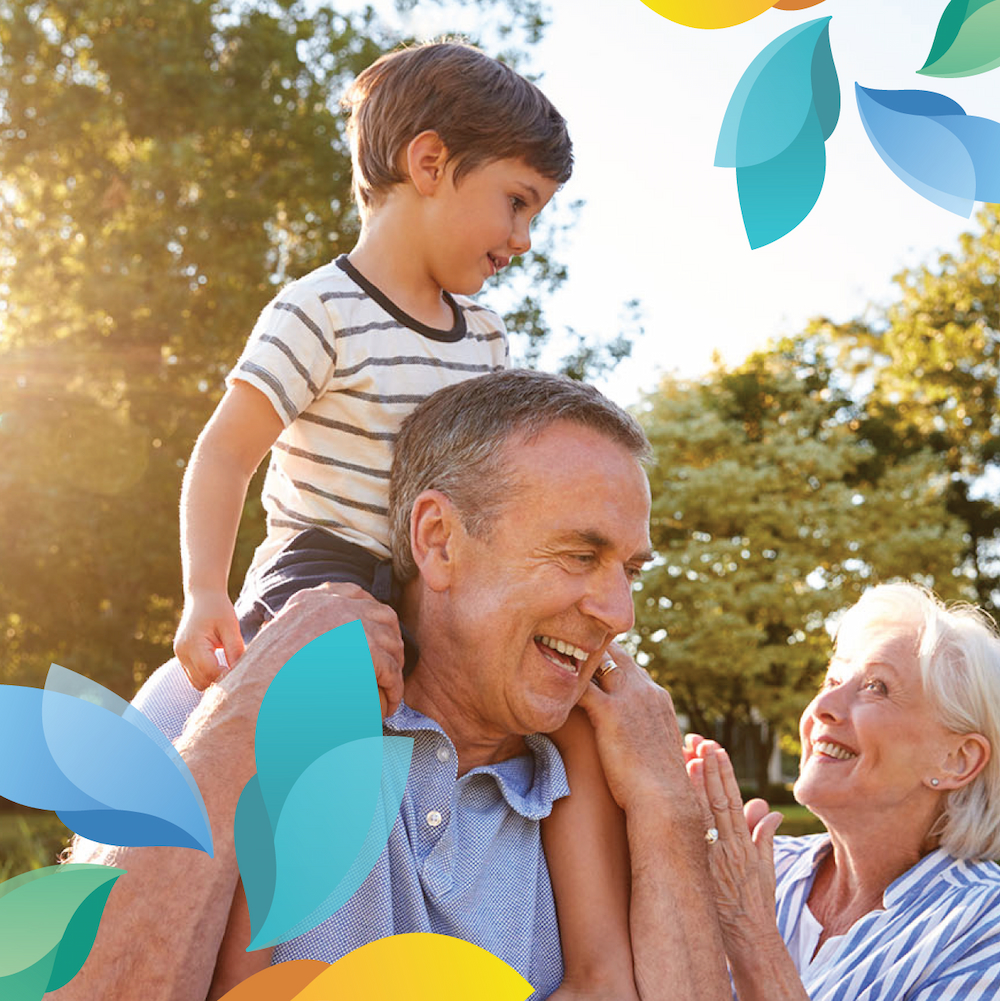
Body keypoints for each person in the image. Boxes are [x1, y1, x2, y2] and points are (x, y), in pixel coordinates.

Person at [55, 370, 731, 1001]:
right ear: (439, 541)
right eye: (580, 555)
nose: (620, 612)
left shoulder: (608, 774)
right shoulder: (212, 699)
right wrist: (242, 718)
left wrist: (669, 805)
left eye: (630, 570)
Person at [172, 38, 572, 691]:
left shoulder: (487, 339)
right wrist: (204, 592)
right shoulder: (320, 310)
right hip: (320, 573)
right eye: (517, 202)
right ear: (431, 163)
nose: (524, 239)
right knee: (346, 659)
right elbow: (224, 455)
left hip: (431, 583)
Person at [686, 582, 1000, 1000]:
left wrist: (748, 930)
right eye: (831, 679)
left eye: (876, 687)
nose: (822, 705)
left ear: (957, 760)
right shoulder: (754, 868)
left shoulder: (983, 922)